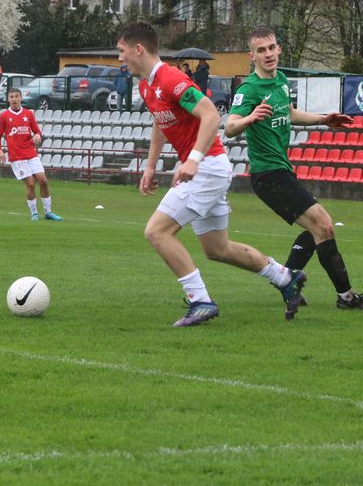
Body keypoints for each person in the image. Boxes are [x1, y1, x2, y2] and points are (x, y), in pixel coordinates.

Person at [116, 21, 306, 328]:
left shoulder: (170, 78)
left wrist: (192, 160)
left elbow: (210, 114)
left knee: (157, 232)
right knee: (217, 249)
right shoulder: (146, 85)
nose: (120, 58)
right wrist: (151, 165)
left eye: (122, 52)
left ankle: (200, 301)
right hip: (210, 168)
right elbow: (159, 123)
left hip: (206, 168)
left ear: (138, 49)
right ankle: (285, 277)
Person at [225, 26, 363, 312]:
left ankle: (287, 279)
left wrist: (325, 118)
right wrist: (250, 117)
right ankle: (345, 297)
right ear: (252, 56)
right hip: (268, 175)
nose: (268, 54)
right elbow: (230, 127)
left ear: (279, 49)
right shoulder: (249, 89)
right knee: (323, 225)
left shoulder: (282, 81)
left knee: (317, 230)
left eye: (271, 48)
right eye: (261, 50)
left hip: (282, 171)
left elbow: (291, 112)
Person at [0, 86, 62, 222]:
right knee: (31, 183)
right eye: (11, 97)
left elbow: (37, 131)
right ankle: (34, 214)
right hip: (17, 157)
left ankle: (48, 212)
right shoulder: (4, 116)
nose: (14, 99)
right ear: (8, 99)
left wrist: (37, 136)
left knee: (43, 181)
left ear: (21, 98)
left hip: (31, 153)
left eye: (16, 97)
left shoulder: (28, 114)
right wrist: (0, 150)